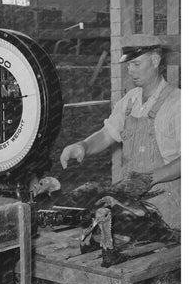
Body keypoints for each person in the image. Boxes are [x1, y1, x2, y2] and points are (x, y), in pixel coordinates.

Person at [60, 44, 180, 230]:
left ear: (155, 61)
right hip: (131, 201)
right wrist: (83, 146)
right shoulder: (130, 100)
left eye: (136, 64)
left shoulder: (178, 103)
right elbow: (108, 133)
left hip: (167, 204)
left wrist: (150, 178)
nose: (130, 71)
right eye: (129, 65)